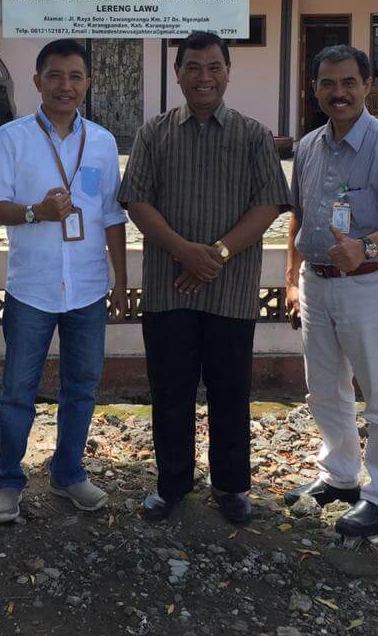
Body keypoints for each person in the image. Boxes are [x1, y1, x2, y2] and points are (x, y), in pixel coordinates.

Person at [119, 30, 291, 525]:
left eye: (214, 67)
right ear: (177, 74)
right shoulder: (153, 134)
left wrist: (215, 254)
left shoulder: (253, 135)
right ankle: (171, 484)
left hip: (231, 290)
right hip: (168, 288)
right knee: (170, 392)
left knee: (230, 393)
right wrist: (184, 252)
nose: (204, 77)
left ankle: (230, 486)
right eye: (193, 67)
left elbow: (270, 203)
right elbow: (136, 200)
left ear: (228, 72)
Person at [283, 45, 378, 537]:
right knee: (325, 388)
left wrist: (364, 246)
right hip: (316, 283)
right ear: (314, 89)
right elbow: (299, 216)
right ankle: (340, 475)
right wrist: (291, 278)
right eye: (327, 83)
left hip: (368, 284)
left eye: (349, 82)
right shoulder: (308, 147)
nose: (338, 92)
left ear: (367, 86)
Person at [0, 39, 128, 524]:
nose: (66, 85)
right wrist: (36, 212)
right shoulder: (12, 137)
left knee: (81, 387)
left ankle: (67, 473)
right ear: (37, 80)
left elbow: (112, 217)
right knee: (18, 390)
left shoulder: (102, 142)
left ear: (88, 82)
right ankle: (7, 481)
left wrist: (120, 281)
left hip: (87, 288)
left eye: (75, 76)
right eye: (55, 75)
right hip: (32, 288)